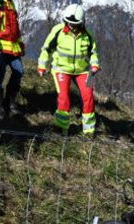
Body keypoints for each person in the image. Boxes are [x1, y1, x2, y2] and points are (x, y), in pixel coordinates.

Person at [38, 5, 99, 137]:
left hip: (83, 71)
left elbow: (93, 53)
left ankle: (88, 131)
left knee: (89, 96)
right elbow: (46, 49)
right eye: (69, 22)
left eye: (75, 23)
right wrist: (42, 65)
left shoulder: (88, 34)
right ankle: (61, 129)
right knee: (64, 98)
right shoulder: (58, 31)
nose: (72, 25)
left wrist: (95, 65)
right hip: (61, 69)